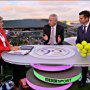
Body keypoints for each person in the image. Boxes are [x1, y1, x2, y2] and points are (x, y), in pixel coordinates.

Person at [0, 16, 28, 90]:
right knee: (16, 64)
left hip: (6, 51)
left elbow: (6, 42)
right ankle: (19, 82)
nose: (2, 23)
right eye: (0, 22)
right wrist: (10, 48)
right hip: (1, 55)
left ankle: (21, 80)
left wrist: (12, 47)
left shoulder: (1, 31)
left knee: (20, 61)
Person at [76, 10, 90, 87]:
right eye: (79, 18)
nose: (79, 20)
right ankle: (83, 80)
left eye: (81, 18)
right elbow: (77, 40)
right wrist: (78, 45)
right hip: (83, 53)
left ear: (87, 18)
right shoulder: (79, 28)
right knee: (84, 67)